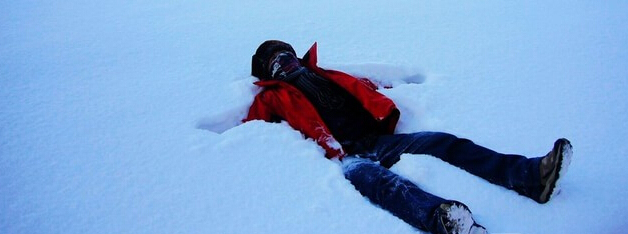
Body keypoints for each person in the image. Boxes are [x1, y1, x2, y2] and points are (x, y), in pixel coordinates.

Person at [245, 40, 573, 234]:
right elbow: (253, 135)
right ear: (269, 73)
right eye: (276, 62)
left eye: (286, 55)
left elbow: (365, 86)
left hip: (376, 140)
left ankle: (530, 176)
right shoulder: (271, 97)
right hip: (345, 157)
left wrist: (399, 86)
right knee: (386, 185)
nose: (284, 63)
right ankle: (444, 221)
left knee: (442, 141)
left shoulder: (324, 73)